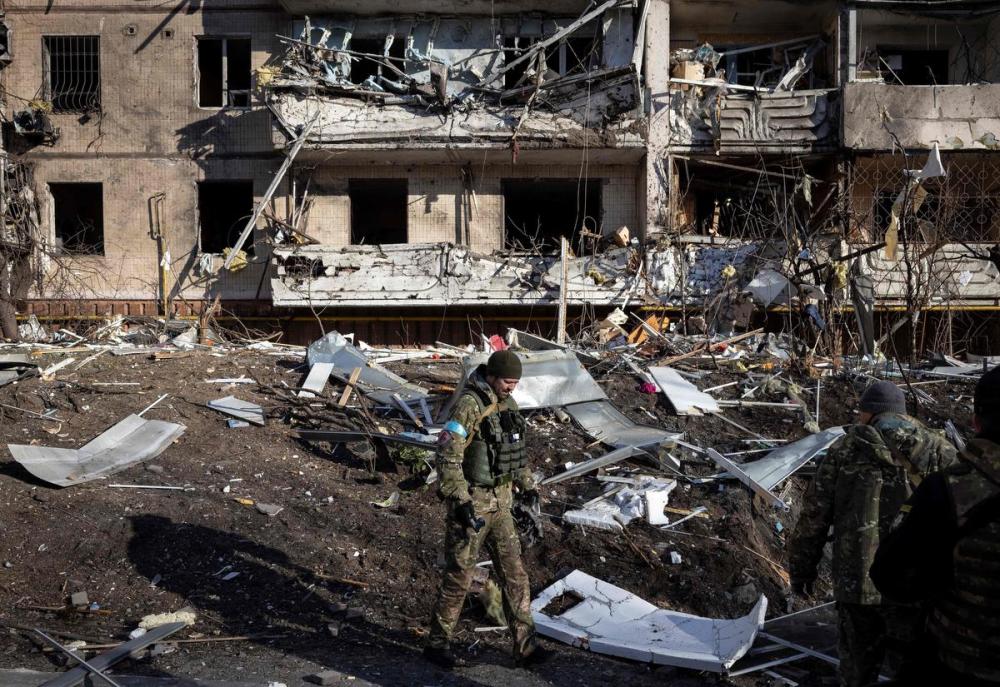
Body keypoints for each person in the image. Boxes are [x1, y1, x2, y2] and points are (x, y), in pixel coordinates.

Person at [786, 381, 957, 687]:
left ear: (869, 413)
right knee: (909, 667)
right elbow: (958, 514)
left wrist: (802, 572)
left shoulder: (845, 449)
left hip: (856, 584)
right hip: (911, 582)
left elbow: (814, 517)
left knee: (857, 670)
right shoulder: (938, 450)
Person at [871, 365, 1000, 686]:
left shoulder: (950, 490)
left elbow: (890, 576)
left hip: (960, 664)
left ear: (976, 420)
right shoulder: (940, 460)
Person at [424, 350, 552, 669]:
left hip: (502, 504)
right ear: (493, 376)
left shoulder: (508, 404)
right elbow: (447, 455)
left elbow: (515, 451)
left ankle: (526, 647)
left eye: (515, 383)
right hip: (473, 504)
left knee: (515, 576)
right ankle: (437, 644)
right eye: (508, 381)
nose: (512, 388)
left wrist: (528, 485)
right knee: (459, 577)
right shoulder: (469, 405)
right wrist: (459, 500)